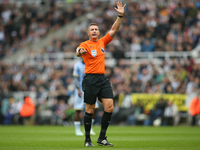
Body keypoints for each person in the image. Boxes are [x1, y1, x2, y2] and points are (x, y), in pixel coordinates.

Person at [76, 1, 126, 147]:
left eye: (96, 29)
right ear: (88, 32)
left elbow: (114, 30)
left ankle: (102, 138)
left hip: (102, 79)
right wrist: (80, 52)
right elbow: (78, 52)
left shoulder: (102, 42)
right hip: (90, 79)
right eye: (91, 29)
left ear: (98, 32)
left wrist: (120, 15)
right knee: (90, 110)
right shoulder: (85, 44)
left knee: (109, 106)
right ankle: (87, 140)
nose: (94, 31)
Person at [73, 59, 99, 136]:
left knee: (94, 108)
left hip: (91, 90)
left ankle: (89, 128)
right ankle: (77, 129)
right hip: (81, 89)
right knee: (78, 109)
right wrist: (78, 89)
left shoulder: (92, 65)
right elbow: (75, 78)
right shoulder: (77, 65)